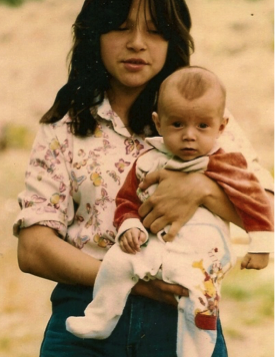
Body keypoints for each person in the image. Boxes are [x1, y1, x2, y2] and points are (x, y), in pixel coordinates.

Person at [13, 0, 275, 358]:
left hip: (183, 323)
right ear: (94, 34)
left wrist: (202, 189)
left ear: (173, 39)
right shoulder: (64, 127)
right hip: (86, 319)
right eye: (120, 28)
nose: (137, 43)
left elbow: (269, 212)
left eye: (155, 31)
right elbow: (33, 249)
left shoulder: (199, 120)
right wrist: (132, 281)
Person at [65, 66, 275, 357]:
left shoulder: (226, 163)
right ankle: (99, 318)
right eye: (177, 124)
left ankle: (195, 352)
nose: (189, 136)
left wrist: (261, 246)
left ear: (221, 127)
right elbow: (126, 201)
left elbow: (255, 201)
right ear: (159, 123)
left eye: (202, 126)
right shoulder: (147, 160)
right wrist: (129, 227)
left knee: (200, 306)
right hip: (149, 249)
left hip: (199, 259)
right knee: (116, 263)